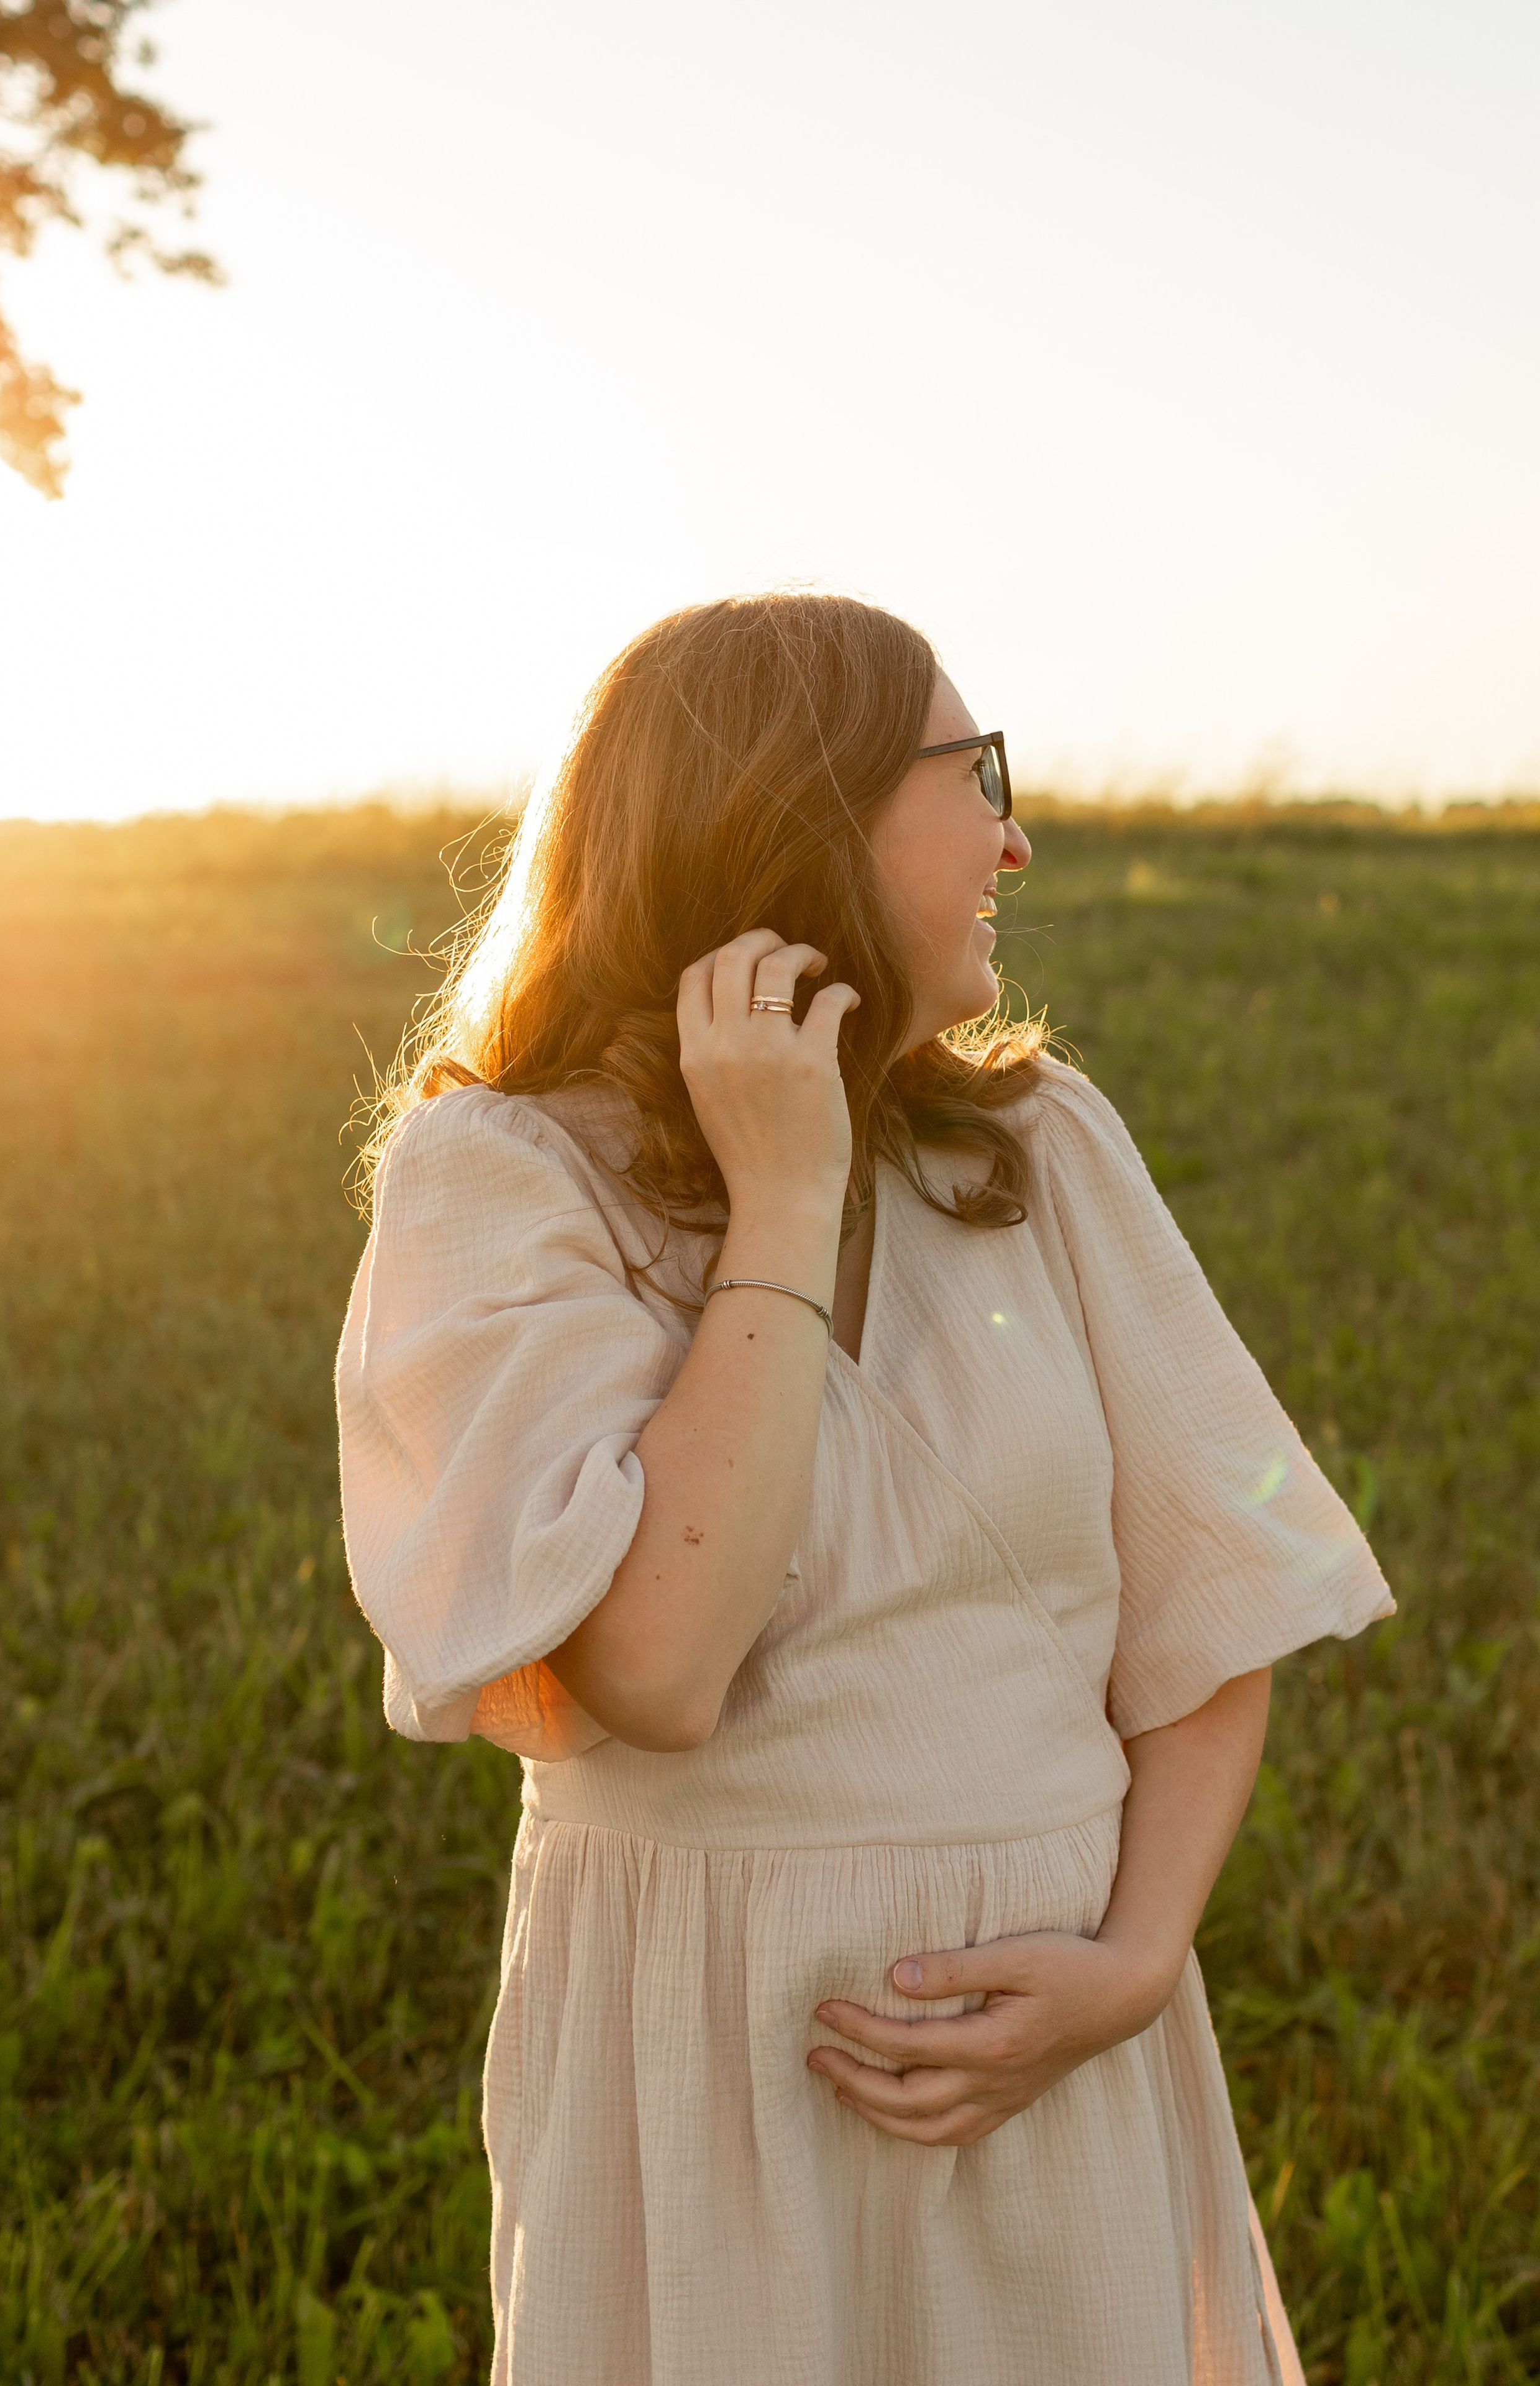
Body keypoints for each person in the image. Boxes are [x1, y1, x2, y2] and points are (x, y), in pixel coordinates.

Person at [337, 593, 1392, 2385]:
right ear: (797, 811)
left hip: (1070, 2050)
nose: (1015, 840)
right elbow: (657, 1669)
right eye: (976, 775)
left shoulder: (1039, 1143)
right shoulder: (500, 1179)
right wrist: (780, 1189)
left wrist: (1135, 1965)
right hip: (718, 2060)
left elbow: (1218, 1598)